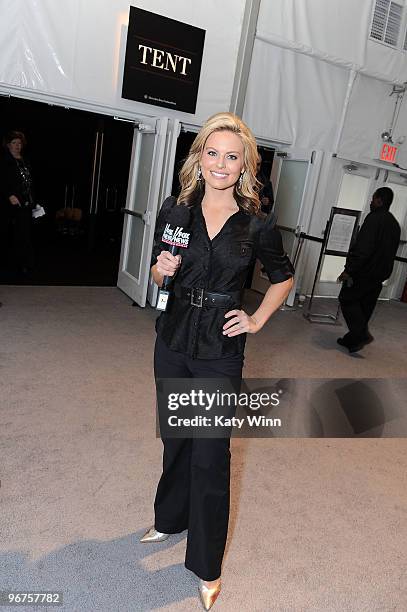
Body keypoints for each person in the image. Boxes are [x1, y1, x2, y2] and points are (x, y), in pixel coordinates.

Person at [141, 112, 294, 610]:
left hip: (219, 353)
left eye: (233, 156)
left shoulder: (257, 224)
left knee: (210, 456)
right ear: (199, 158)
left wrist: (256, 320)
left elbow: (283, 276)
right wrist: (160, 271)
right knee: (176, 439)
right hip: (173, 338)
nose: (221, 164)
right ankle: (169, 518)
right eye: (213, 153)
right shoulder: (175, 209)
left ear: (245, 165)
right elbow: (161, 273)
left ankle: (206, 564)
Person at [337, 187, 401, 353]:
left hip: (363, 273)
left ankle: (361, 334)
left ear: (379, 200)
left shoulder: (373, 219)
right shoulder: (394, 224)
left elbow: (363, 248)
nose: (371, 202)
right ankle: (352, 340)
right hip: (380, 275)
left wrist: (349, 270)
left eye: (373, 199)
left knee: (347, 299)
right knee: (364, 307)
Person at [0, 130, 35, 276]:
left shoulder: (25, 161)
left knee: (24, 235)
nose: (17, 146)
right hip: (8, 203)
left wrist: (35, 201)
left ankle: (22, 265)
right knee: (5, 234)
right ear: (8, 145)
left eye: (19, 143)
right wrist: (9, 195)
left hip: (25, 203)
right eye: (14, 143)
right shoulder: (4, 161)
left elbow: (30, 182)